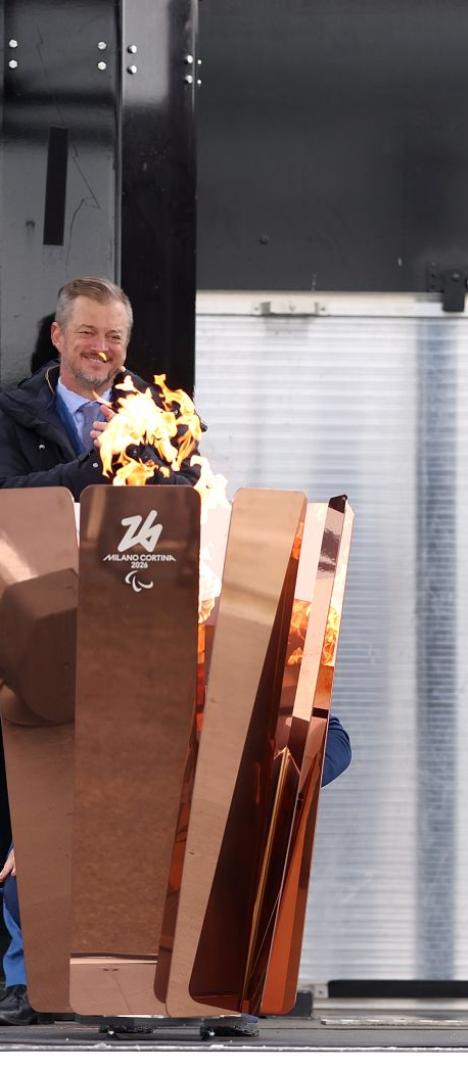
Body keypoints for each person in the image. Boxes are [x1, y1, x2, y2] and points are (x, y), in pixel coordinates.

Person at [0, 276, 352, 1026]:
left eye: (115, 337)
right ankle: (28, 975)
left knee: (195, 784)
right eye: (88, 333)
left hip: (147, 636)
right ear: (58, 337)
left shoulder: (158, 417)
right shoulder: (11, 413)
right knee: (37, 795)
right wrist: (94, 471)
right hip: (41, 636)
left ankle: (184, 968)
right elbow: (10, 505)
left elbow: (200, 512)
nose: (102, 349)